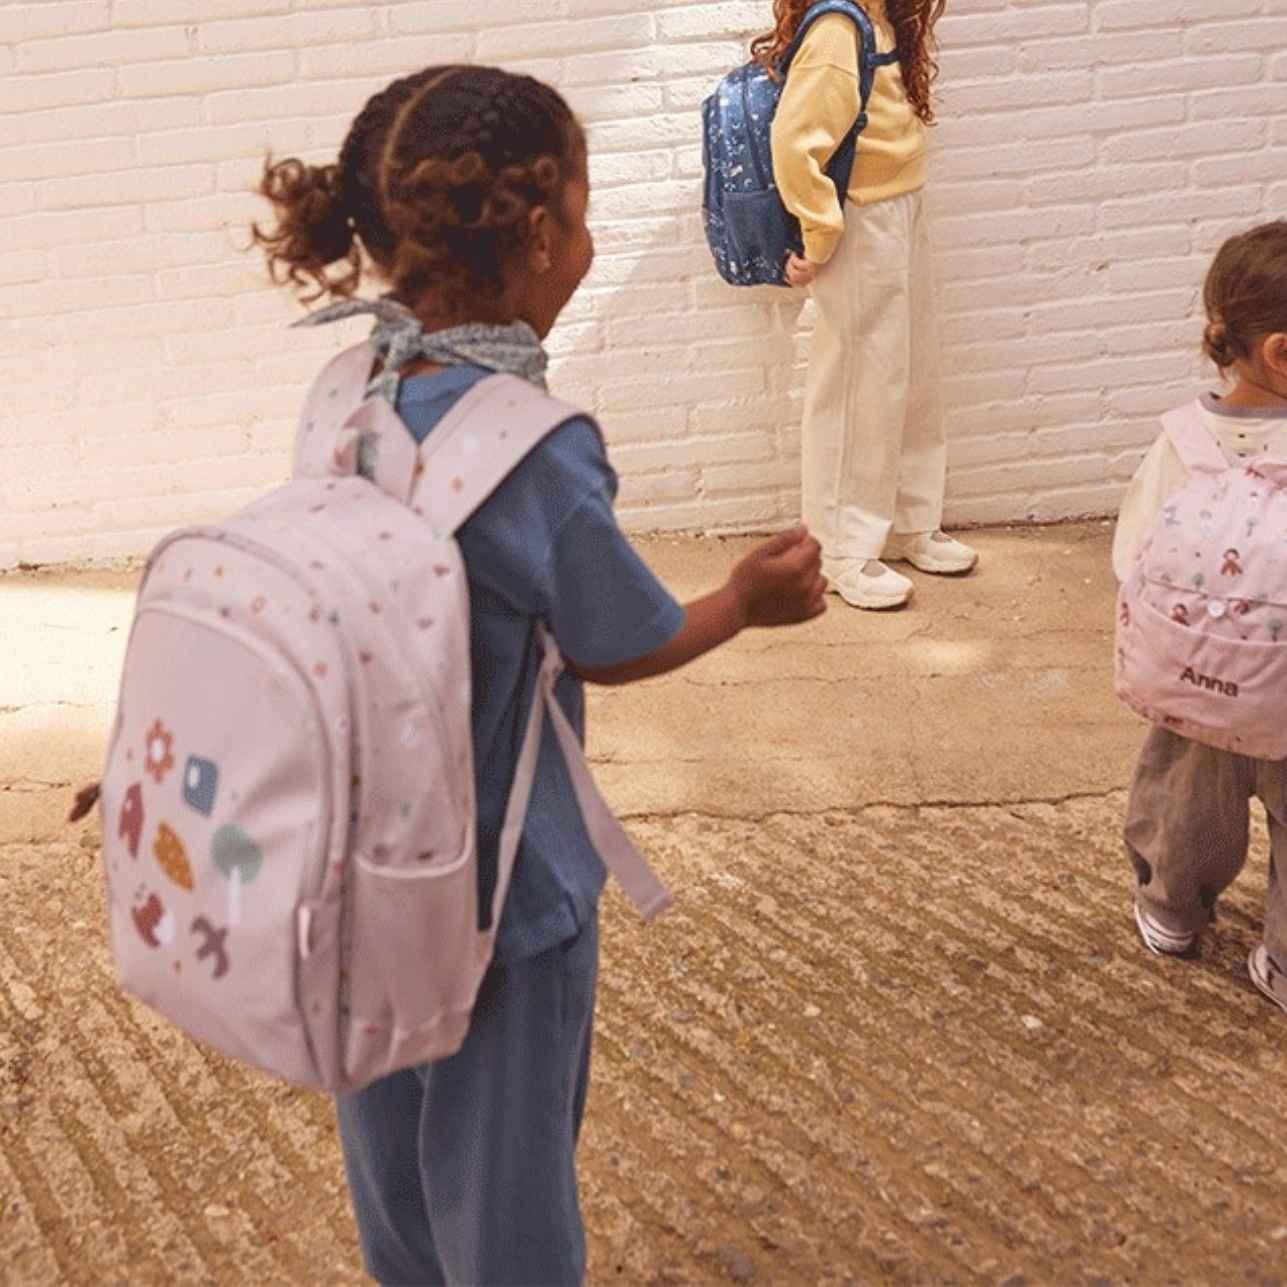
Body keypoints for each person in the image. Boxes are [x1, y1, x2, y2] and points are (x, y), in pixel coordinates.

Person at [251, 65, 826, 1285]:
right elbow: (619, 644)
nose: (592, 234)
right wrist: (742, 603)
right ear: (541, 232)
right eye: (585, 202)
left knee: (395, 1158)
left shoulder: (345, 389)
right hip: (505, 899)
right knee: (506, 1186)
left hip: (355, 868)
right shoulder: (533, 447)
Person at [1113, 220, 1287, 1013]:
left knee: (1183, 801)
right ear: (1279, 351)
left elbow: (1131, 554)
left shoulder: (1183, 440)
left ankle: (1171, 911)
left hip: (1195, 684)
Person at [761, 0, 974, 609]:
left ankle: (908, 521)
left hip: (900, 207)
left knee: (911, 373)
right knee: (860, 383)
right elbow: (795, 141)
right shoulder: (838, 27)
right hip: (861, 224)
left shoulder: (880, 19)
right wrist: (822, 235)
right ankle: (841, 548)